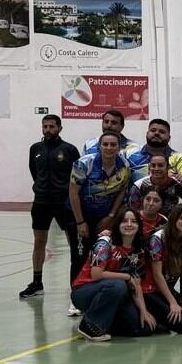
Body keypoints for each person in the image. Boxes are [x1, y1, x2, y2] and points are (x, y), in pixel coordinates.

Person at [67, 131, 133, 315]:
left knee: (100, 257)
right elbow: (73, 192)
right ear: (100, 146)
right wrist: (80, 222)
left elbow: (121, 191)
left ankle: (97, 296)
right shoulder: (84, 163)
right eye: (106, 144)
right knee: (79, 255)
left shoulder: (124, 165)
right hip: (81, 215)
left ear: (119, 147)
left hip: (104, 218)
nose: (109, 148)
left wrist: (111, 216)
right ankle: (75, 297)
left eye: (113, 145)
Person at [70, 208, 157, 341]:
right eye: (124, 221)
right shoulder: (105, 242)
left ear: (139, 226)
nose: (129, 224)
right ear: (117, 224)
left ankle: (106, 322)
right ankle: (89, 327)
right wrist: (127, 277)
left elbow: (136, 285)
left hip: (115, 293)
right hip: (84, 291)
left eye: (133, 221)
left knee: (143, 328)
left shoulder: (138, 251)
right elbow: (96, 274)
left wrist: (144, 311)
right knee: (119, 285)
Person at [22, 114, 79, 299]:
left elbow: (77, 176)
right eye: (45, 126)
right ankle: (37, 282)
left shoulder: (69, 150)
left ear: (59, 128)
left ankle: (77, 283)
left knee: (73, 242)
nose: (48, 130)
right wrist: (41, 188)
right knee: (39, 242)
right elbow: (34, 171)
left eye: (52, 127)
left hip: (64, 203)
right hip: (41, 202)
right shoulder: (35, 149)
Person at [144, 204, 182, 332]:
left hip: (167, 288)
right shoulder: (158, 238)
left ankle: (160, 318)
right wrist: (172, 302)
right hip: (151, 289)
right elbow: (157, 275)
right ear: (174, 218)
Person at [124, 119, 182, 184]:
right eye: (153, 130)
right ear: (147, 134)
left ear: (169, 138)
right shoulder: (130, 154)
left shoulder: (178, 157)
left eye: (162, 132)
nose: (157, 133)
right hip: (135, 195)